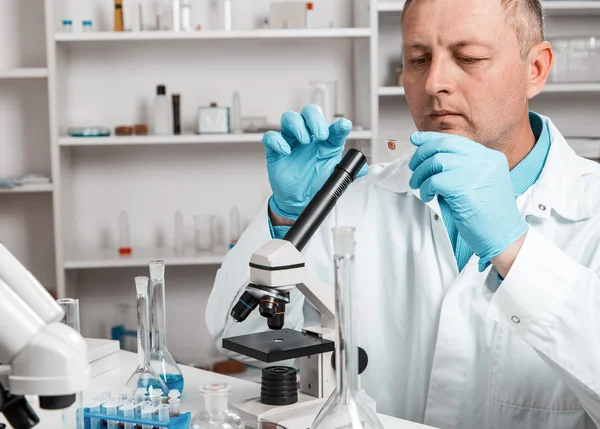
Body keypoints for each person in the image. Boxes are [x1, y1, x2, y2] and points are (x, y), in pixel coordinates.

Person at [206, 0, 600, 427]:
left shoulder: (591, 207)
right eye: (417, 59)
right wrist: (290, 218)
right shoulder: (352, 200)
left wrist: (515, 250)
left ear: (535, 69)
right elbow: (234, 336)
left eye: (469, 58)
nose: (434, 82)